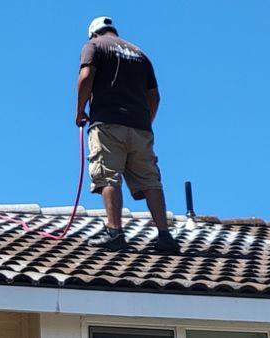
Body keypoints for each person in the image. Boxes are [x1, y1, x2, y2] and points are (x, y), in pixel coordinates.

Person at [75, 16, 179, 253]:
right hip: (140, 127)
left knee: (108, 175)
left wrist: (80, 111)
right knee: (150, 179)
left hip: (109, 122)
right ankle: (165, 236)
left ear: (93, 33)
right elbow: (154, 96)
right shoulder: (140, 54)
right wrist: (145, 122)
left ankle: (115, 232)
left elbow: (86, 76)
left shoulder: (94, 46)